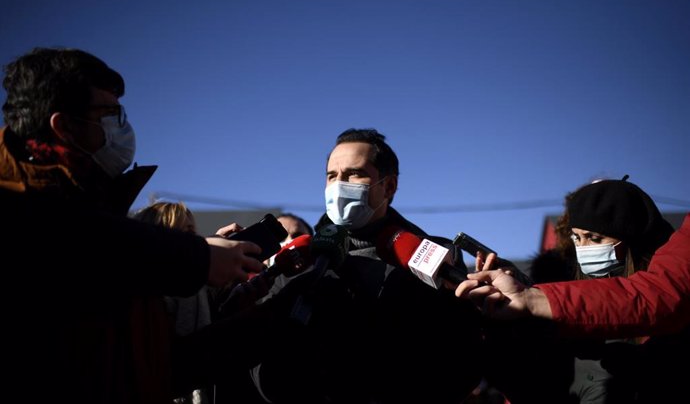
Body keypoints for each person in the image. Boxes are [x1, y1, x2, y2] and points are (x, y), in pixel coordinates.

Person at [0, 47, 269, 404]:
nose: (122, 127)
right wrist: (198, 257)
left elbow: (156, 370)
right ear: (64, 126)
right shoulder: (29, 211)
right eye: (109, 114)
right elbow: (72, 235)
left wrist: (277, 317)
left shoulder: (102, 221)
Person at [251, 128, 483, 404]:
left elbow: (463, 357)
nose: (339, 185)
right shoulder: (301, 259)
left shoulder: (435, 256)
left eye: (353, 174)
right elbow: (260, 352)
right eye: (331, 176)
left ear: (389, 186)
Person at [456, 181, 689, 403]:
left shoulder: (662, 297)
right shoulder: (561, 292)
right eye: (577, 237)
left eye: (594, 238)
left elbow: (651, 298)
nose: (584, 249)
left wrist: (532, 299)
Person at [132, 201, 214, 404]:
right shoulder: (179, 287)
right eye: (184, 232)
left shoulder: (202, 287)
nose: (194, 240)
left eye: (193, 231)